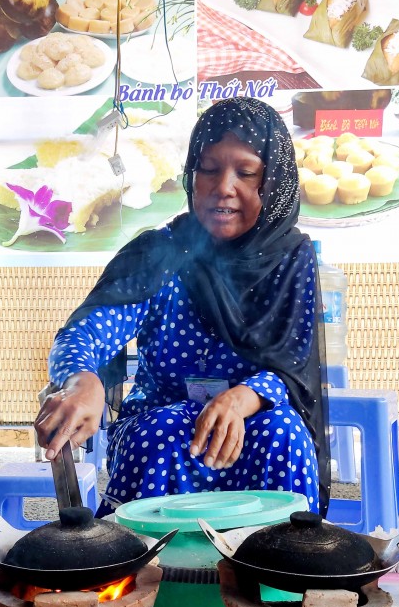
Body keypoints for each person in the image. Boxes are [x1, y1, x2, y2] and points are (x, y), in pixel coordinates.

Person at [35, 97, 329, 515]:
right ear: (192, 174)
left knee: (283, 433)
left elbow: (293, 367)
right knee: (162, 432)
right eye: (208, 168)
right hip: (161, 420)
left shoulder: (291, 258)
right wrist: (82, 380)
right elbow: (87, 330)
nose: (223, 187)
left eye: (245, 172)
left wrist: (243, 398)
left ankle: (272, 568)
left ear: (273, 182)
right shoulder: (161, 252)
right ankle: (148, 573)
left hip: (256, 414)